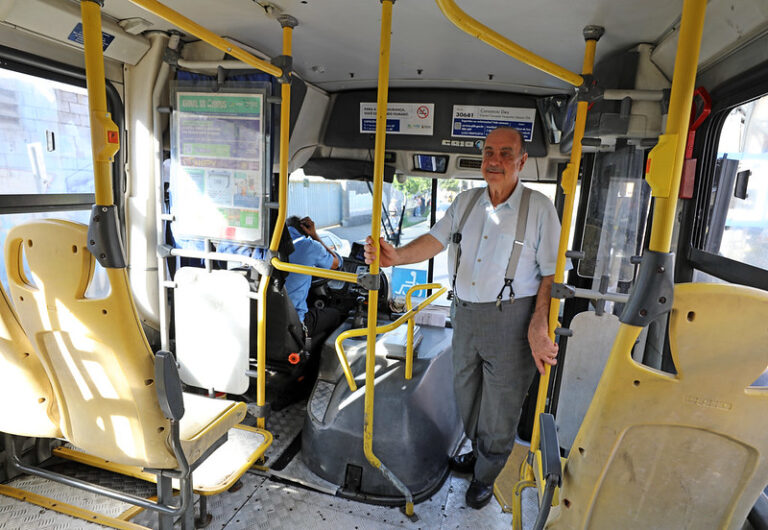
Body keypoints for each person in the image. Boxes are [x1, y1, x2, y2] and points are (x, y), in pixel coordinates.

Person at [364, 127, 561, 509]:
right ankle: (480, 452)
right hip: (464, 316)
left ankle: (486, 476)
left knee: (500, 410)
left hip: (512, 321)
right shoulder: (466, 201)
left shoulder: (539, 209)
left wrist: (539, 323)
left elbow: (552, 275)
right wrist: (395, 257)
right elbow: (434, 241)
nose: (495, 161)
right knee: (466, 397)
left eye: (506, 154)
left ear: (522, 162)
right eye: (489, 152)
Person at [284, 215, 343, 343]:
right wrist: (314, 235)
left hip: (268, 316)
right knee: (337, 315)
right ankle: (316, 359)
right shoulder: (308, 245)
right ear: (305, 230)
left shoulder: (269, 246)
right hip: (295, 321)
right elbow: (336, 264)